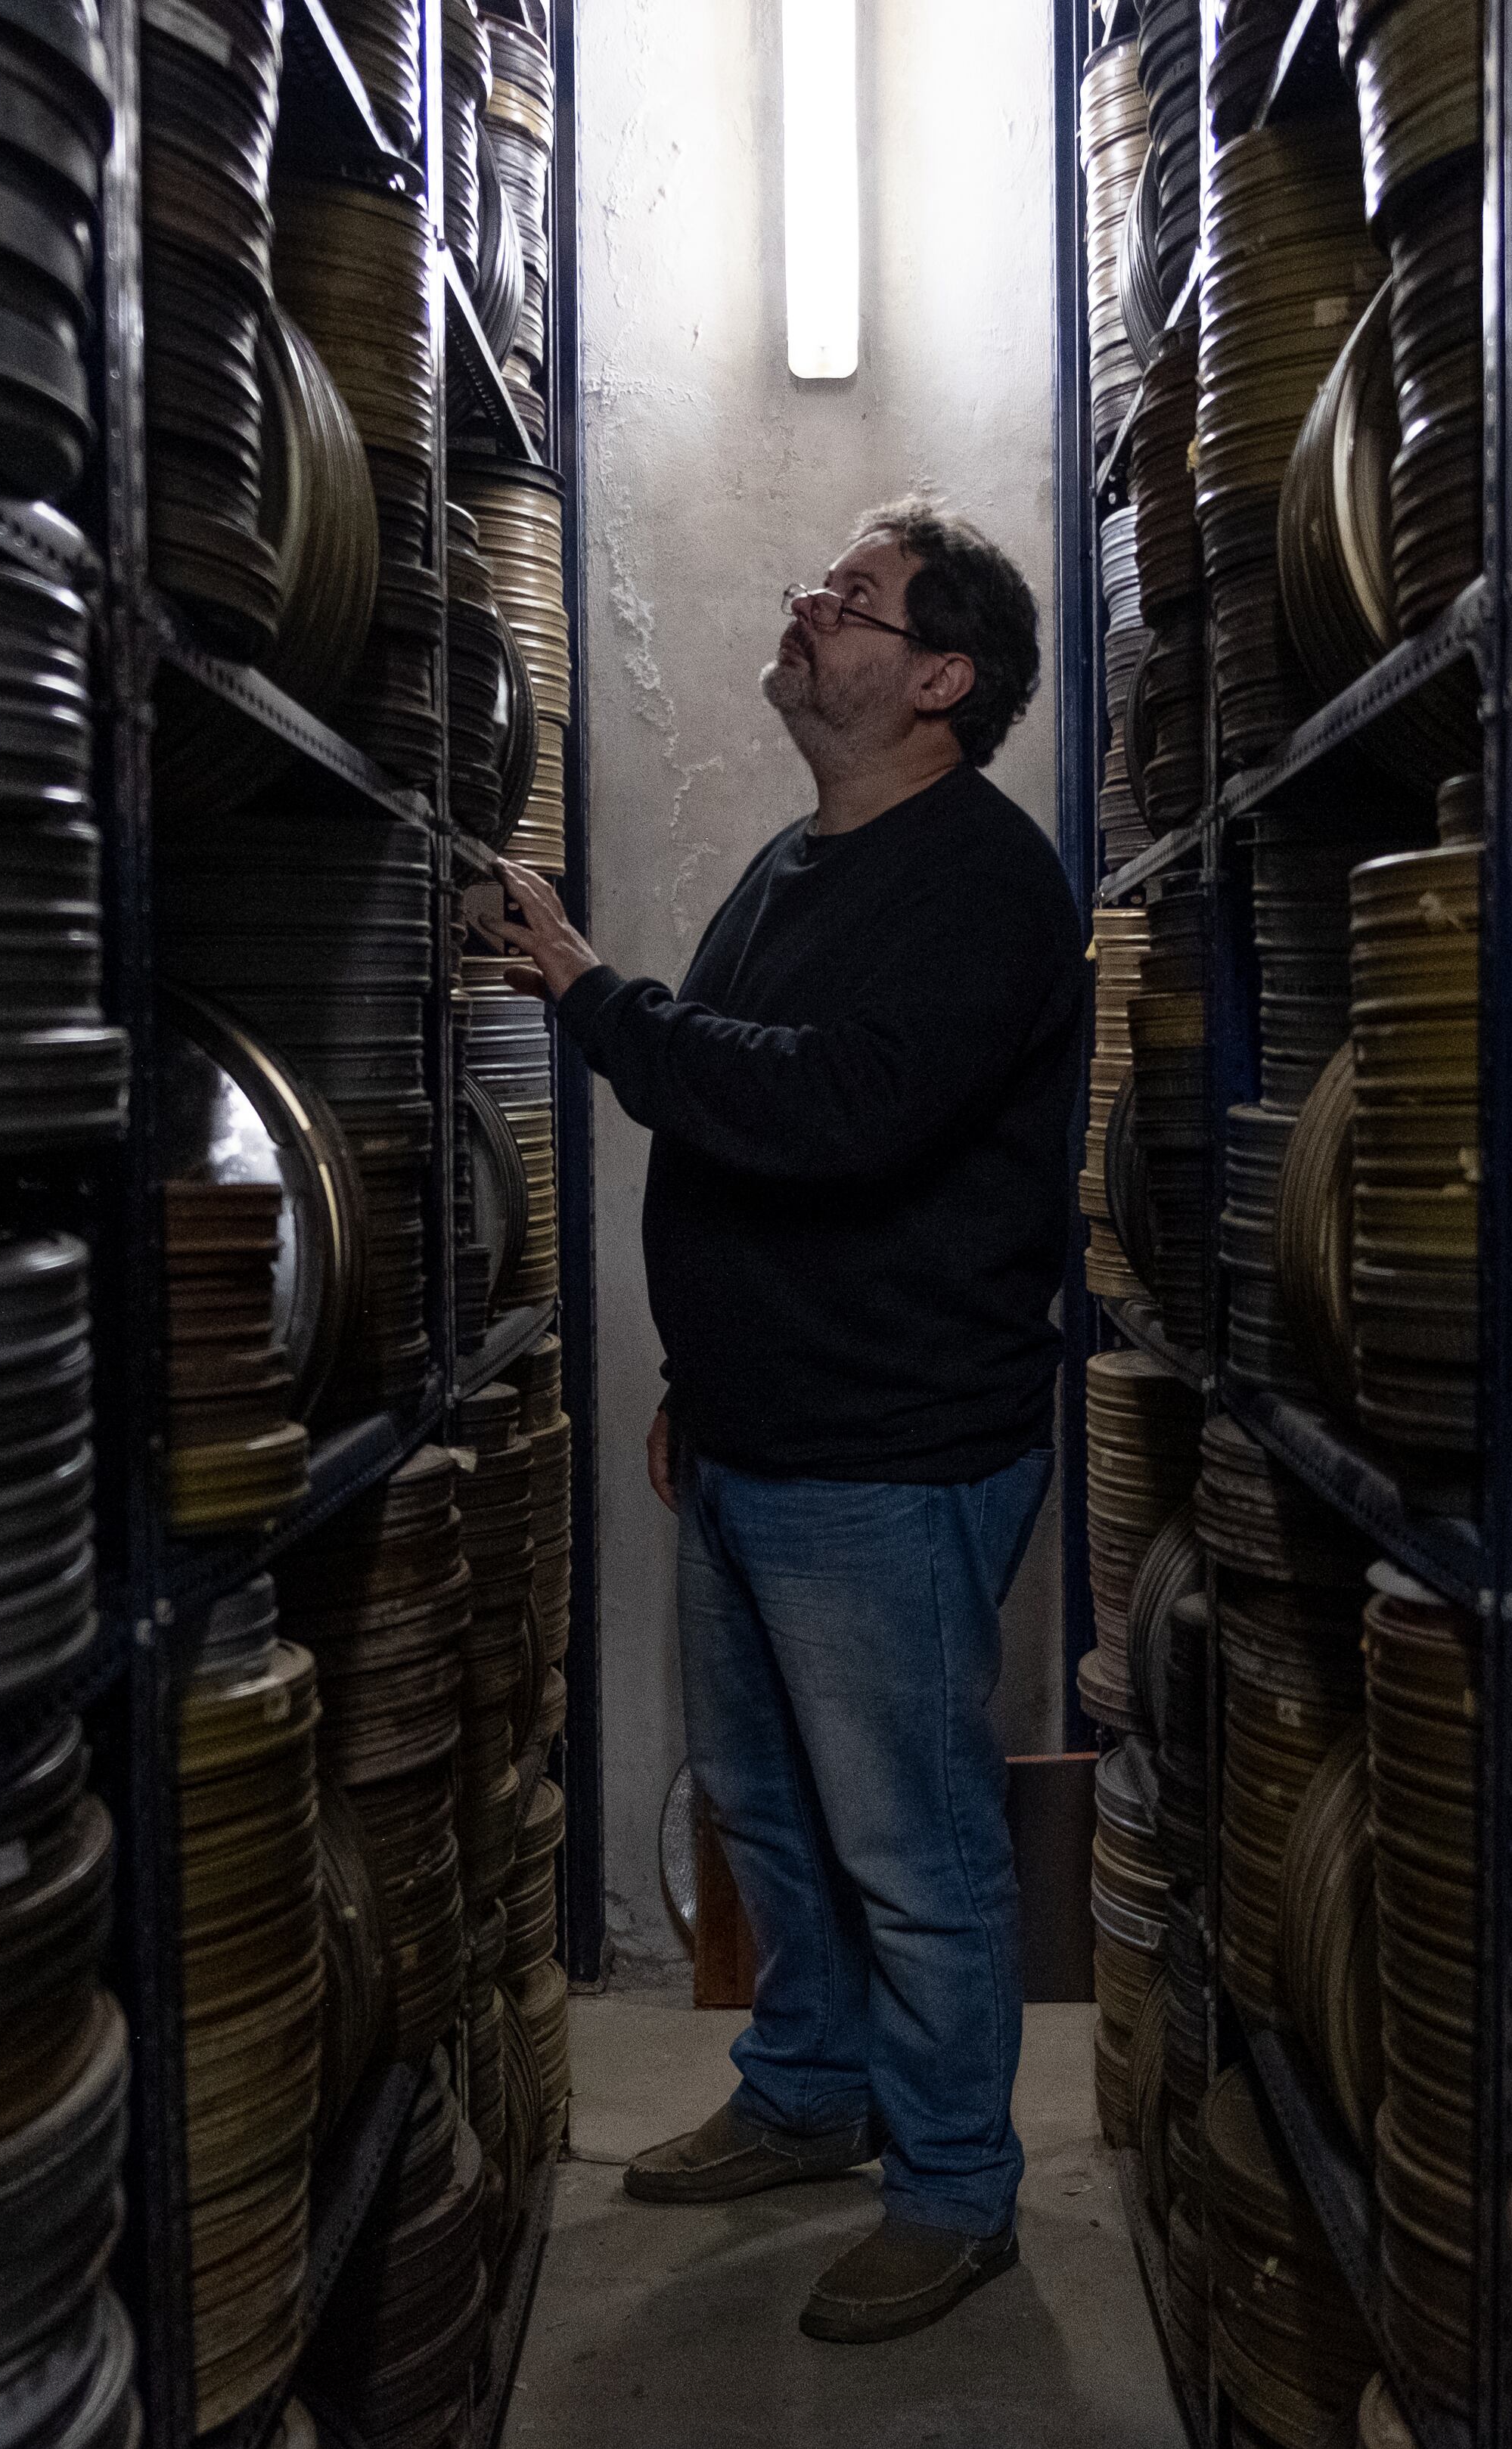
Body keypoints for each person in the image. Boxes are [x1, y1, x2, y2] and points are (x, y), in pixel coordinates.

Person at [476, 498, 1084, 2344]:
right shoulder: (793, 861)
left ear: (941, 678)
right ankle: (808, 2089)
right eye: (822, 587)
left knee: (910, 1843)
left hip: (889, 1451)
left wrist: (591, 989)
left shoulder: (988, 880)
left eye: (857, 598)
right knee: (767, 1807)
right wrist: (701, 1388)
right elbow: (744, 1145)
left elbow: (832, 1114)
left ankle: (958, 2188)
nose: (810, 608)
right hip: (760, 1436)